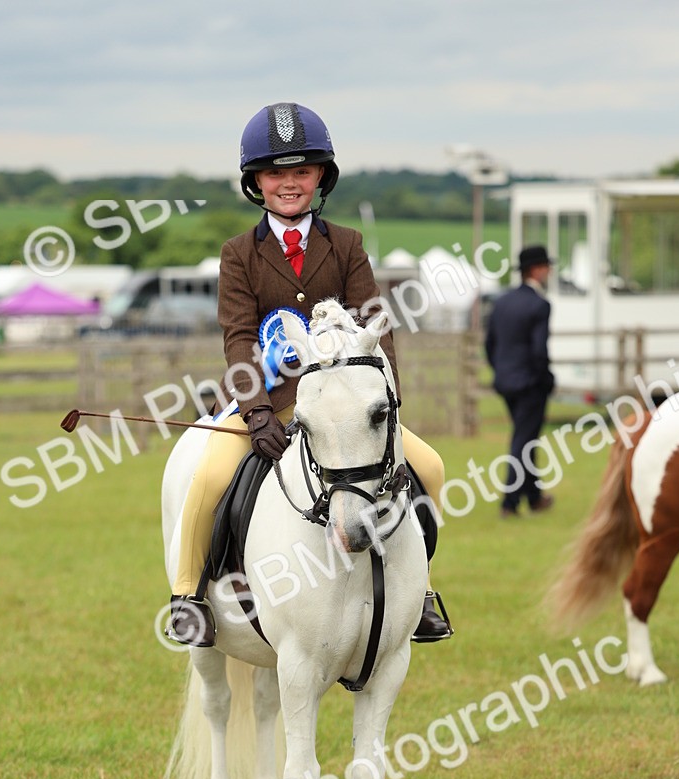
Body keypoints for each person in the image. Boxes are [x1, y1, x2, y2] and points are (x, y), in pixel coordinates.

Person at [167, 102, 452, 646]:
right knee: (207, 479)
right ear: (256, 181)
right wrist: (254, 414)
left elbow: (375, 323)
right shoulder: (237, 256)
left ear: (321, 175)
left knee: (431, 468)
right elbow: (238, 338)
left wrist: (382, 400)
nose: (289, 184)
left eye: (301, 171)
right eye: (276, 173)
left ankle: (422, 593)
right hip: (268, 402)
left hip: (344, 403)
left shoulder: (345, 245)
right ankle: (189, 597)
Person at [484, 244, 556, 518]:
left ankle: (535, 497)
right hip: (530, 385)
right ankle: (509, 502)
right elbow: (539, 351)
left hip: (506, 383)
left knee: (526, 440)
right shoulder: (540, 305)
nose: (548, 271)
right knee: (522, 442)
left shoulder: (502, 301)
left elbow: (490, 345)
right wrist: (546, 379)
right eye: (546, 266)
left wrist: (501, 370)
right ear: (537, 269)